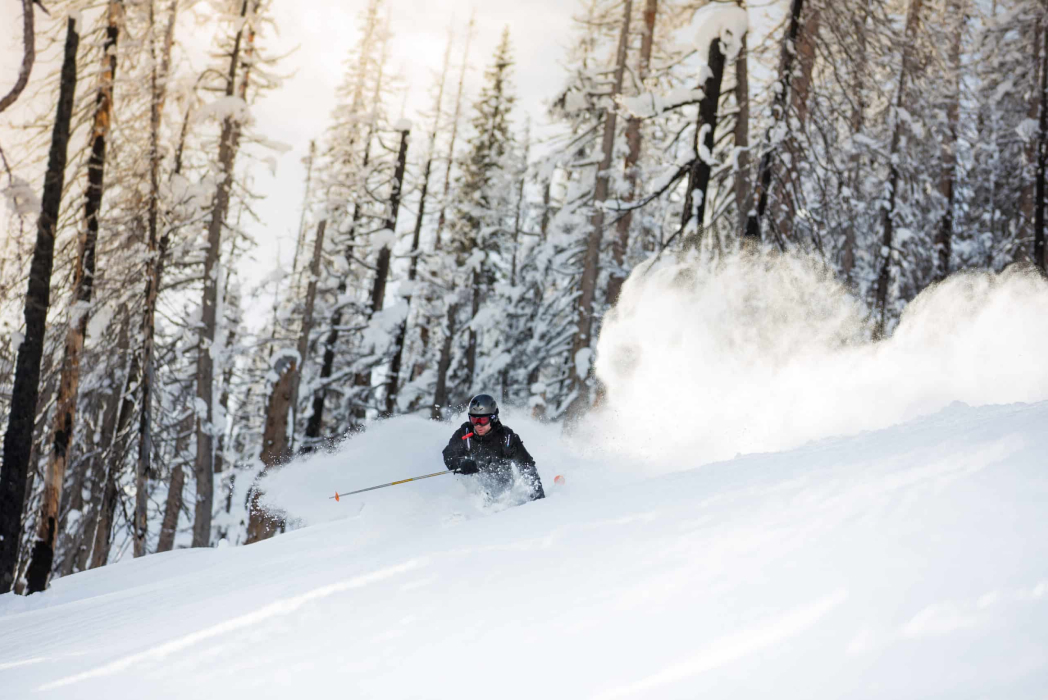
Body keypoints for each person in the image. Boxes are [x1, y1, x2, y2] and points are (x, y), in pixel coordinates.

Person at [442, 394, 545, 501]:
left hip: (505, 497)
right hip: (475, 496)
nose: (478, 425)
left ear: (493, 418)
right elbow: (449, 453)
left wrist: (537, 494)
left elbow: (526, 466)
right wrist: (460, 464)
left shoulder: (506, 438)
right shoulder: (465, 433)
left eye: (482, 420)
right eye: (473, 419)